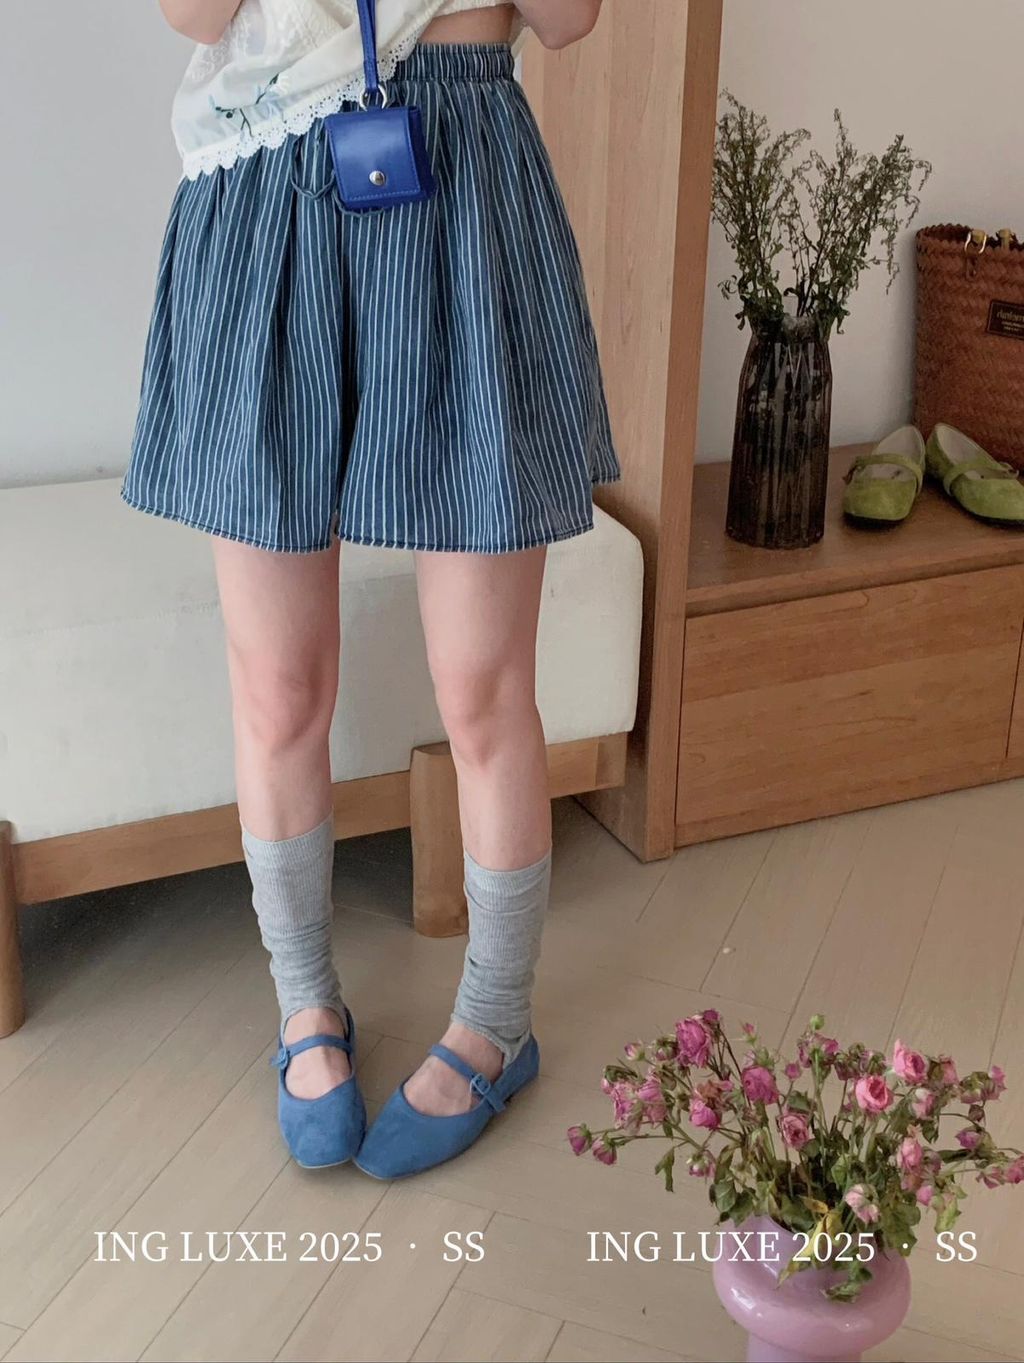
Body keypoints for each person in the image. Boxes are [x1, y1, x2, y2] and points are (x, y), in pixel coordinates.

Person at [122, 0, 618, 1178]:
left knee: (483, 686)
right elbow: (191, 14)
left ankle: (497, 1021)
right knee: (279, 686)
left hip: (463, 175)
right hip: (263, 196)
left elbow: (568, 19)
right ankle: (306, 1005)